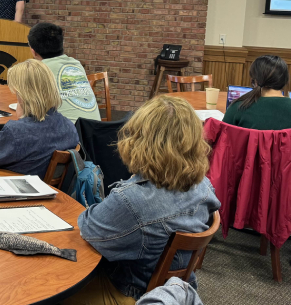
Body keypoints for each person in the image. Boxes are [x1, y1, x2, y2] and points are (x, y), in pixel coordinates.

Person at [65, 95, 220, 304]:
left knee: (56, 286)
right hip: (176, 290)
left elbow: (88, 229)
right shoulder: (204, 187)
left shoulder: (132, 199)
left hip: (131, 292)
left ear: (139, 141)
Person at [0, 59, 79, 178]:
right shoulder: (69, 128)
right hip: (48, 191)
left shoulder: (16, 132)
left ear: (23, 96)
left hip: (11, 190)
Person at [222, 55, 291, 150]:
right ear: (285, 80)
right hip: (287, 168)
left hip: (248, 167)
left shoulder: (238, 107)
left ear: (255, 81)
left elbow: (222, 140)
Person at [28, 22, 101, 123]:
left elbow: (28, 112)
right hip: (96, 133)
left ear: (33, 51)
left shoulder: (39, 70)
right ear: (62, 45)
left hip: (68, 135)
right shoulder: (76, 64)